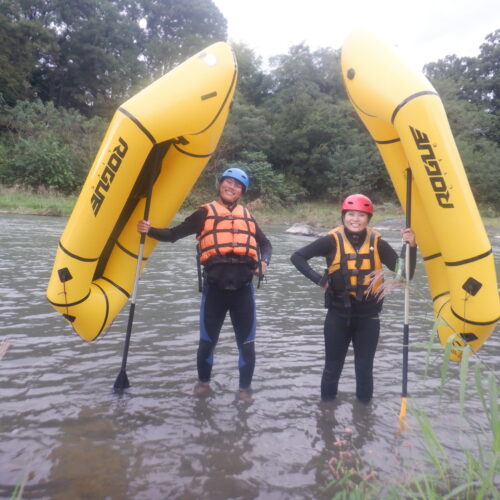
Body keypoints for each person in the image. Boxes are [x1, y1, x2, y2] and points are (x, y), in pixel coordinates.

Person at [138, 167, 272, 398]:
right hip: (214, 291)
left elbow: (266, 244)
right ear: (220, 185)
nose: (231, 187)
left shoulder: (247, 216)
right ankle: (203, 386)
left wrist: (264, 263)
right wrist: (149, 231)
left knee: (247, 345)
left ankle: (244, 391)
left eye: (237, 185)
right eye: (228, 182)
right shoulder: (204, 214)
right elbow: (173, 235)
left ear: (241, 192)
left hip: (243, 291)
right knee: (207, 342)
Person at [290, 194, 416, 403]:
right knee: (332, 368)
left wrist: (410, 246)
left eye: (361, 215)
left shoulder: (378, 242)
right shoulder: (331, 241)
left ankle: (363, 420)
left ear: (368, 219)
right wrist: (319, 279)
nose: (355, 219)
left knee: (365, 370)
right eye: (350, 214)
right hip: (338, 314)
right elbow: (297, 257)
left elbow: (404, 274)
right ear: (343, 216)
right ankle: (327, 416)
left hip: (368, 317)